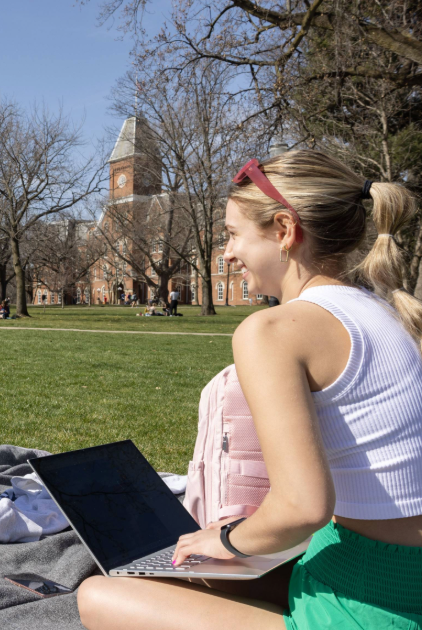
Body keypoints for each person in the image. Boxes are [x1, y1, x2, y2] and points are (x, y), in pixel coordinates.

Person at [77, 150, 422, 630]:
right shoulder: (389, 312)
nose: (228, 253)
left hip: (367, 606)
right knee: (176, 571)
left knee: (98, 593)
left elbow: (303, 507)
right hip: (380, 572)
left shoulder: (274, 330)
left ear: (284, 230)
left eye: (234, 235)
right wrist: (234, 538)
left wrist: (226, 540)